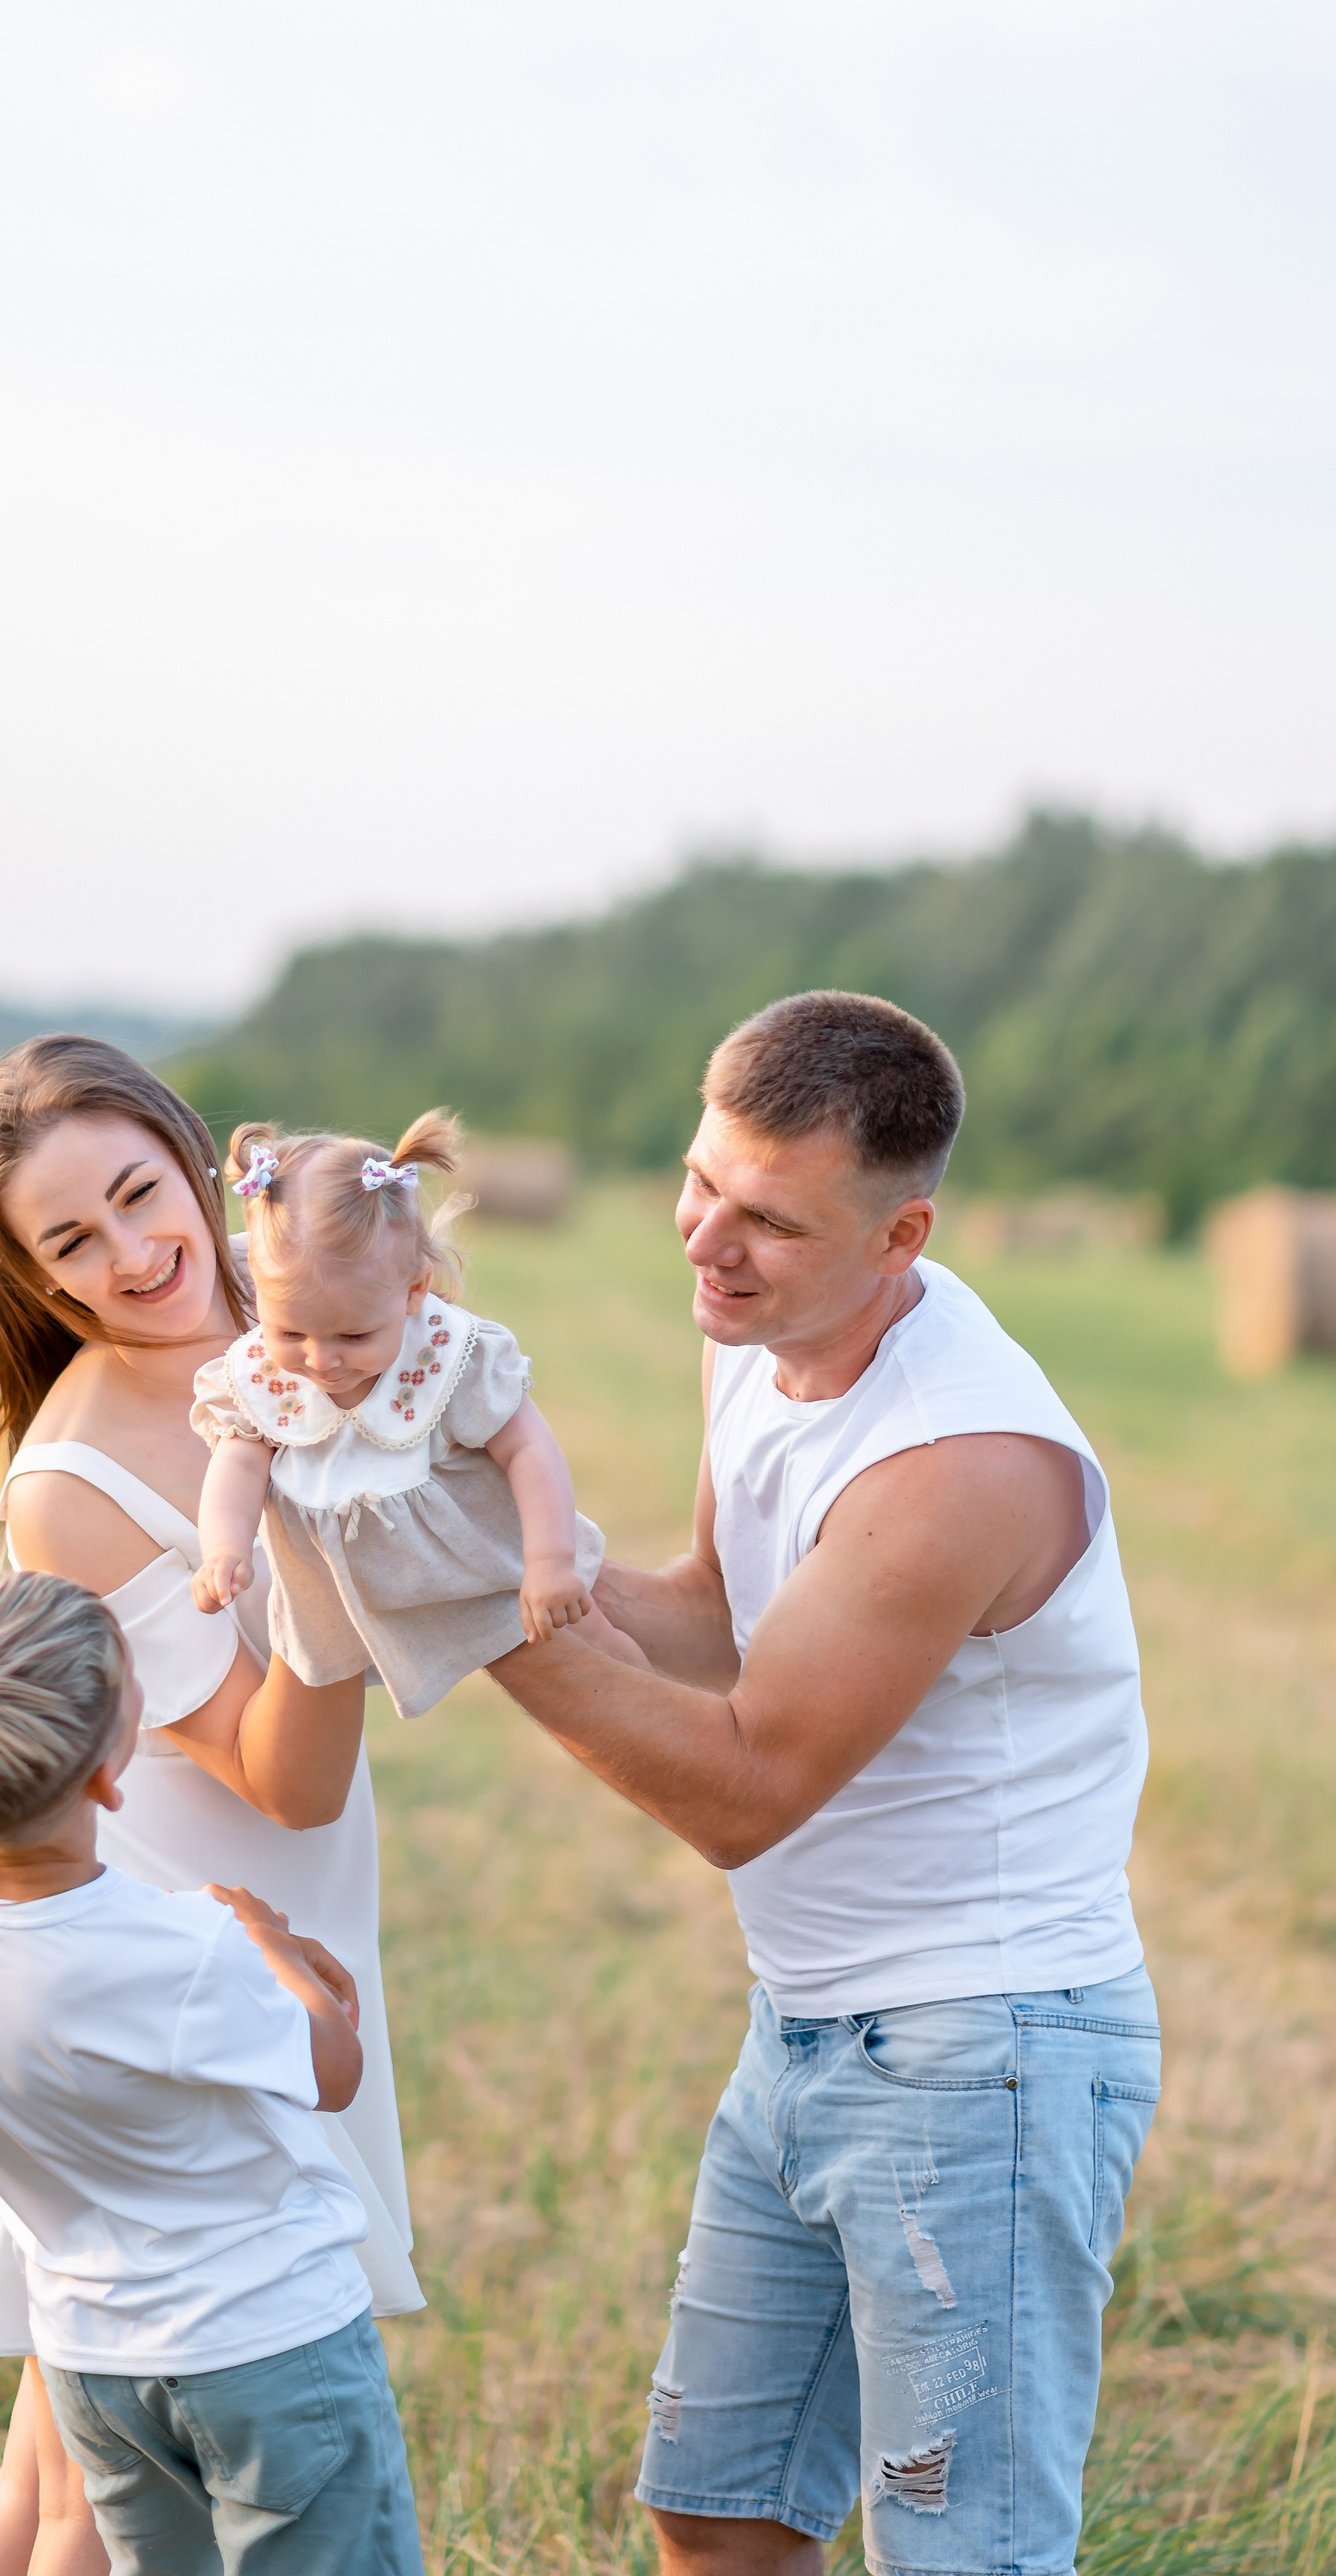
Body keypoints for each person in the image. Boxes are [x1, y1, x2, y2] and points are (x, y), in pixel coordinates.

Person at [487, 991, 1160, 2576]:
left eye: (766, 1221)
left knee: (958, 2556)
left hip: (977, 2055)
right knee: (717, 2512)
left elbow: (743, 1780)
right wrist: (484, 1539)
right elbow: (719, 1624)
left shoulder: (955, 1461)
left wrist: (452, 1621)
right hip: (803, 2025)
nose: (704, 1239)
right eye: (697, 1182)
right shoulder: (766, 1334)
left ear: (897, 1234)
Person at [0, 1037, 421, 2576]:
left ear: (201, 1165)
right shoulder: (72, 1482)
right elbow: (284, 1777)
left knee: (62, 2471)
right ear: (34, 1274)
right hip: (166, 1983)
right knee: (96, 2491)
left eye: (143, 1195)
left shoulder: (299, 1335)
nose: (135, 1254)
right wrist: (332, 1534)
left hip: (269, 1930)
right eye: (71, 1239)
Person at [0, 1568, 424, 2576]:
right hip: (269, 2347)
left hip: (93, 2357)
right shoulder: (189, 1947)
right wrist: (279, 1945)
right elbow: (332, 2063)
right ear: (112, 1781)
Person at [191, 1110, 643, 1716]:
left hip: (488, 1563)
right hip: (359, 1598)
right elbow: (238, 1464)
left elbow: (529, 1449)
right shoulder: (261, 1375)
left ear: (413, 1291)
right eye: (290, 1329)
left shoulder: (447, 1356)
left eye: (353, 1335)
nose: (321, 1360)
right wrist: (223, 1545)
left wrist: (550, 1562)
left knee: (596, 1649)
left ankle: (680, 1721)